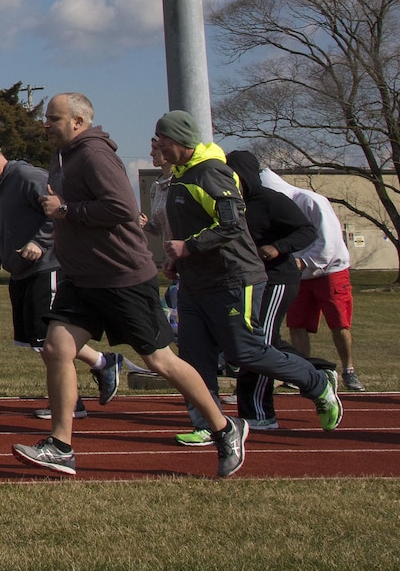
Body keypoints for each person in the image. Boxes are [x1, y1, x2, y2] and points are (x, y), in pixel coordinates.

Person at [13, 94, 247, 478]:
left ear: (78, 121)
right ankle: (60, 445)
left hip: (121, 276)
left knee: (160, 360)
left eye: (53, 119)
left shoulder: (94, 155)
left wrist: (66, 210)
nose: (46, 125)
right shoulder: (63, 156)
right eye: (46, 119)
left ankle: (224, 427)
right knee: (56, 347)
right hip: (83, 278)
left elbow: (122, 208)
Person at [147, 114, 340, 448]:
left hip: (233, 279)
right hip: (195, 283)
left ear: (177, 139)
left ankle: (316, 382)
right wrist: (178, 259)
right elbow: (189, 229)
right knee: (194, 358)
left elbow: (232, 224)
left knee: (245, 352)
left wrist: (189, 246)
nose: (157, 144)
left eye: (160, 137)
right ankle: (210, 423)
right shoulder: (179, 178)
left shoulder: (211, 171)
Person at [0, 136, 124, 420]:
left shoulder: (27, 176)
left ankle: (81, 389)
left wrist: (40, 242)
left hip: (47, 267)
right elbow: (6, 229)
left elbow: (57, 211)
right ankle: (96, 369)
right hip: (22, 271)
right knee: (39, 341)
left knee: (49, 340)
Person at [224, 149, 318, 429]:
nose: (232, 181)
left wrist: (278, 248)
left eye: (236, 175)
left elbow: (306, 230)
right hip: (248, 281)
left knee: (259, 343)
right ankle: (318, 372)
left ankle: (260, 414)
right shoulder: (230, 204)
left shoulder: (271, 200)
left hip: (277, 279)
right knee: (254, 342)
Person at [273, 169, 362, 390]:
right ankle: (304, 372)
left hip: (330, 271)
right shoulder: (274, 209)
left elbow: (329, 241)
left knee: (339, 322)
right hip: (299, 275)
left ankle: (348, 370)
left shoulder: (312, 201)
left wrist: (304, 261)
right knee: (296, 323)